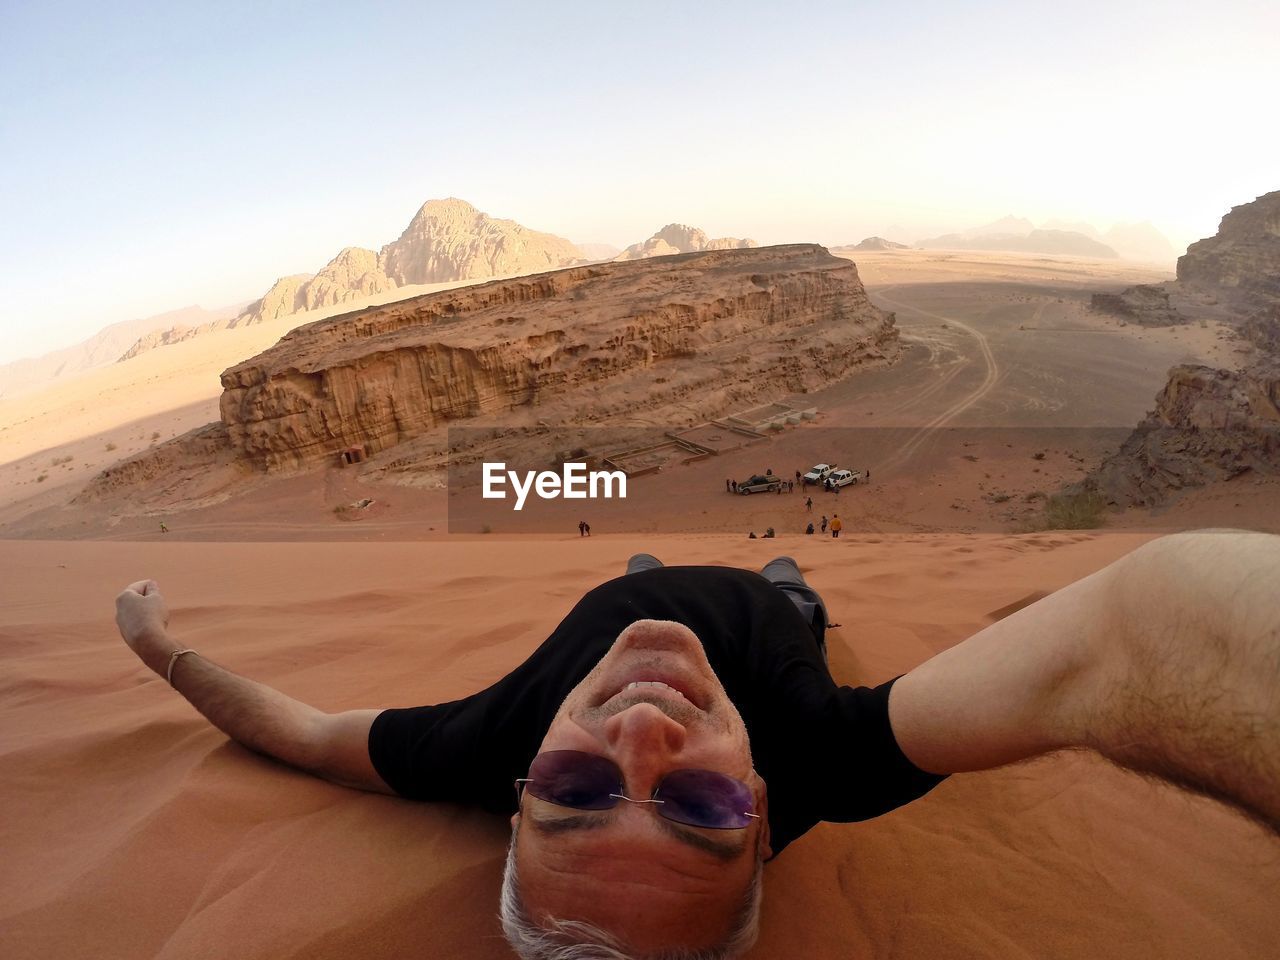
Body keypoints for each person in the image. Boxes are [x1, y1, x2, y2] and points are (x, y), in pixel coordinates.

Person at [114, 532, 1280, 958]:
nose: (642, 731)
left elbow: (311, 734)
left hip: (633, 597)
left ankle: (644, 579)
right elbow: (1150, 634)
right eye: (701, 811)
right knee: (791, 593)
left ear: (516, 792)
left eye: (574, 789)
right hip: (765, 619)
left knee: (634, 584)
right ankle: (780, 581)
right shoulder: (827, 761)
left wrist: (156, 647)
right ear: (766, 811)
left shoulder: (470, 751)